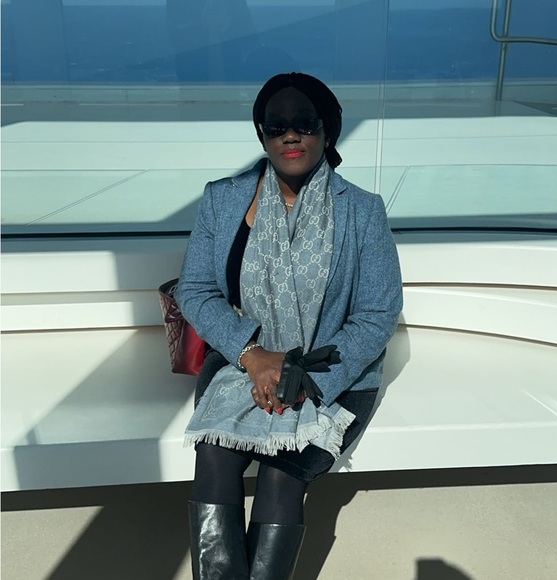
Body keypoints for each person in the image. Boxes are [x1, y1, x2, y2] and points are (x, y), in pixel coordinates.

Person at [175, 72, 403, 580]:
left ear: (328, 130)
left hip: (330, 373)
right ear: (262, 135)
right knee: (214, 453)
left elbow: (376, 314)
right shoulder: (223, 199)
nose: (290, 135)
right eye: (276, 126)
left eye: (305, 123)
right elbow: (196, 290)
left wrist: (301, 378)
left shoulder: (362, 211)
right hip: (241, 362)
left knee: (283, 474)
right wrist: (253, 355)